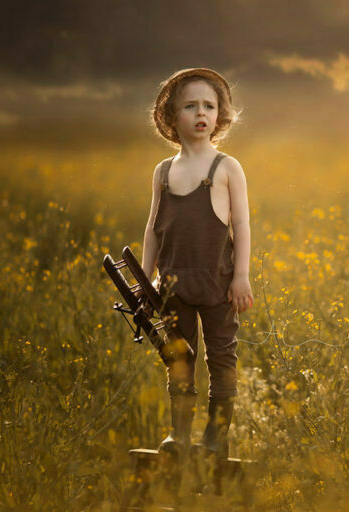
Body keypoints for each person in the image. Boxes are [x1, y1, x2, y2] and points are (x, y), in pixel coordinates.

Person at [138, 68, 254, 468]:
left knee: (221, 360)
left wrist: (241, 277)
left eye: (209, 106)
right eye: (190, 106)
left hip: (219, 286)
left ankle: (215, 439)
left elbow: (242, 226)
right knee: (179, 360)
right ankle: (180, 434)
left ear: (219, 115)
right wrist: (145, 277)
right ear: (172, 117)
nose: (201, 113)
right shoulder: (163, 172)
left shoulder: (226, 168)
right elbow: (154, 228)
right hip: (173, 286)